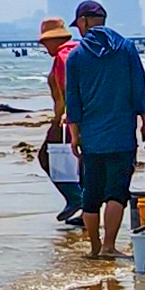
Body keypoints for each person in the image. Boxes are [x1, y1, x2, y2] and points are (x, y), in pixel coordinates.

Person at [60, 0, 145, 260]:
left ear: (84, 22)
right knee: (116, 192)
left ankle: (94, 248)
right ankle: (109, 247)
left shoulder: (76, 56)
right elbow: (139, 88)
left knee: (91, 194)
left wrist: (74, 134)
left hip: (91, 137)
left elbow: (73, 100)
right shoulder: (126, 48)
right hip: (122, 136)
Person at [37, 16, 88, 230]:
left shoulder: (62, 56)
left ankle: (76, 198)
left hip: (68, 117)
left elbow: (67, 89)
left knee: (46, 157)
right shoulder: (78, 50)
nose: (44, 46)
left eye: (45, 41)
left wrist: (62, 118)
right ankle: (86, 211)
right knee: (81, 164)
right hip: (82, 115)